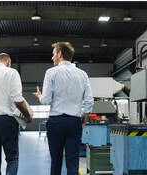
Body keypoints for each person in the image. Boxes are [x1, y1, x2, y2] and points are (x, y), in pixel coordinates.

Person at [33, 42, 94, 175]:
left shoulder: (51, 73)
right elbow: (89, 101)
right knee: (72, 161)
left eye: (54, 54)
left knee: (56, 161)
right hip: (74, 122)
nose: (52, 57)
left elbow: (46, 100)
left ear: (60, 54)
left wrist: (39, 96)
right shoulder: (82, 74)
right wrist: (84, 118)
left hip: (56, 123)